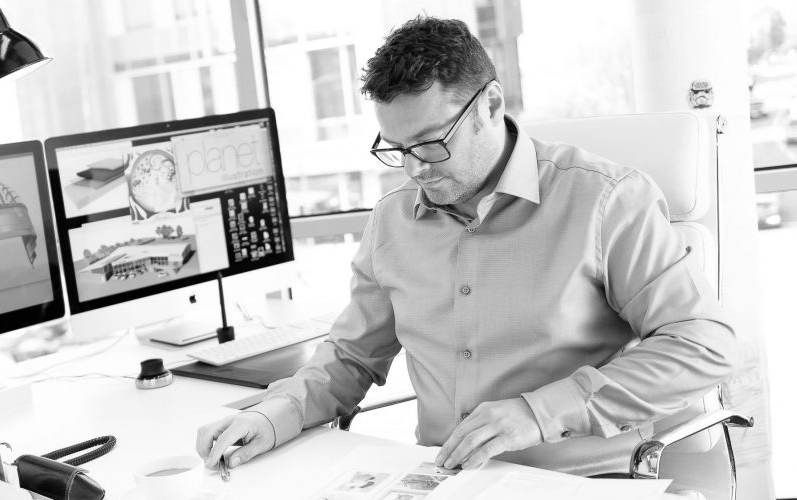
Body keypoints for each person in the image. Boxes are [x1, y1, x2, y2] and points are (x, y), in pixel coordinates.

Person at [195, 15, 736, 477]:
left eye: (431, 143)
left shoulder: (605, 200)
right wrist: (273, 414)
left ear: (490, 104)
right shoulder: (392, 221)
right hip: (446, 482)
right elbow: (351, 356)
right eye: (397, 148)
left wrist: (539, 411)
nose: (413, 167)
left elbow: (704, 346)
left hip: (581, 480)